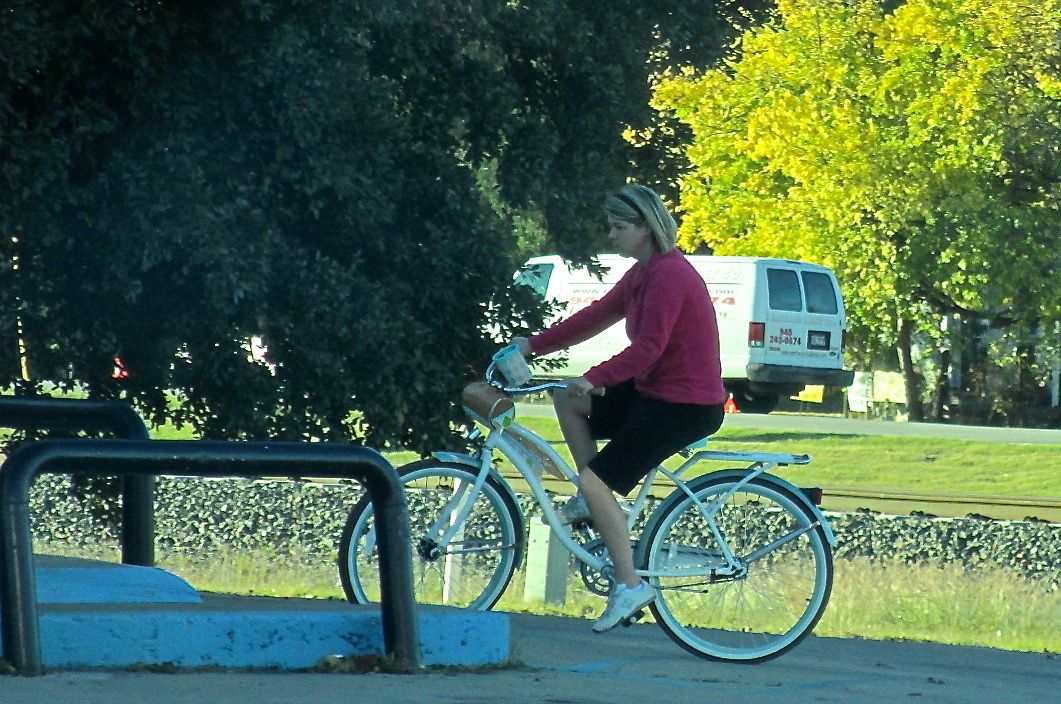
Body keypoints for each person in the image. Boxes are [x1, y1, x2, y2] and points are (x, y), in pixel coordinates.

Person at [511, 183, 727, 633]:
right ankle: (593, 501)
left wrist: (596, 377)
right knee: (567, 398)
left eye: (618, 227)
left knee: (596, 477)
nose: (610, 235)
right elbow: (595, 316)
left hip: (685, 405)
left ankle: (629, 585)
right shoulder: (643, 272)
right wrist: (532, 345)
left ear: (645, 227)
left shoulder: (669, 275)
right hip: (655, 393)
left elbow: (649, 348)